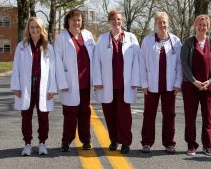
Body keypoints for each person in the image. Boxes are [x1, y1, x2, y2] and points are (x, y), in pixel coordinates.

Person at [93, 10, 140, 154]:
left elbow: (137, 62)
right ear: (109, 22)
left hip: (124, 85)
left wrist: (135, 80)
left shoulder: (131, 38)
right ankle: (113, 140)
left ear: (122, 21)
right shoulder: (102, 39)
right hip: (107, 84)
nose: (116, 22)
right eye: (113, 19)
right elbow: (96, 61)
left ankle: (125, 142)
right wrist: (97, 81)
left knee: (125, 116)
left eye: (118, 19)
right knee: (110, 114)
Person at [10, 17, 57, 156]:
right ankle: (27, 144)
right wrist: (16, 87)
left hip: (43, 86)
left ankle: (42, 143)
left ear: (42, 28)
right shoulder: (21, 46)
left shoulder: (48, 47)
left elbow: (53, 70)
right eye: (32, 27)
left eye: (37, 27)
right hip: (26, 85)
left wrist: (52, 88)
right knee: (26, 115)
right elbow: (16, 67)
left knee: (43, 115)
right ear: (28, 29)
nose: (34, 29)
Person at [140, 12, 182, 154]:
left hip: (170, 86)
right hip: (152, 85)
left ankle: (169, 143)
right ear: (155, 24)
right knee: (149, 114)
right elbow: (142, 63)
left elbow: (179, 65)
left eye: (164, 22)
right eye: (159, 22)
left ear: (168, 24)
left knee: (169, 115)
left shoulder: (176, 41)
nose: (162, 25)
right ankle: (146, 142)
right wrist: (144, 84)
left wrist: (178, 83)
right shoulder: (147, 40)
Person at [54, 9, 95, 152]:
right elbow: (57, 62)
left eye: (79, 19)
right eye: (73, 19)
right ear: (68, 21)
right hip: (70, 82)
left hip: (85, 82)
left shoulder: (88, 35)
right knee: (70, 114)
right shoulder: (62, 37)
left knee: (85, 113)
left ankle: (86, 140)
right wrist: (62, 83)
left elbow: (95, 58)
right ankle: (66, 141)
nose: (76, 22)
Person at [181, 14, 211, 156]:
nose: (202, 27)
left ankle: (208, 145)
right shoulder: (188, 43)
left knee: (208, 118)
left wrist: (210, 80)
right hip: (191, 86)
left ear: (208, 26)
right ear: (195, 25)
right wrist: (194, 81)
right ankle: (191, 145)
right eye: (199, 24)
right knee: (190, 118)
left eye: (204, 25)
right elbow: (184, 64)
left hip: (208, 87)